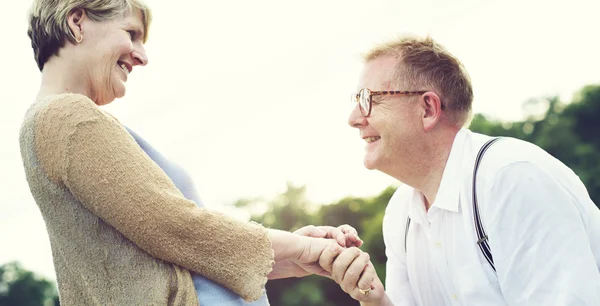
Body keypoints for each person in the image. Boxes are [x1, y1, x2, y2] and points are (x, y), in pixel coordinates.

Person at [20, 0, 361, 305]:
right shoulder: (67, 118)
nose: (142, 55)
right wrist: (305, 249)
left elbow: (177, 254)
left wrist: (294, 256)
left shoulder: (50, 121)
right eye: (131, 33)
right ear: (77, 22)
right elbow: (176, 227)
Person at [321, 35, 600, 305]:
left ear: (428, 109)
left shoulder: (511, 178)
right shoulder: (400, 212)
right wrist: (373, 298)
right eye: (356, 100)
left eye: (369, 98)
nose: (354, 119)